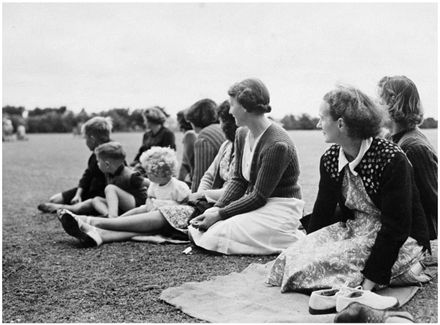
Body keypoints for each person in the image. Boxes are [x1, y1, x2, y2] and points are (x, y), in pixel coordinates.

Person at [266, 86, 430, 293]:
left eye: (322, 118)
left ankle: (405, 269)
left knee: (312, 270)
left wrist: (370, 281)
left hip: (399, 238)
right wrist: (309, 246)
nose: (318, 124)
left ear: (341, 124)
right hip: (355, 229)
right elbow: (323, 210)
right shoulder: (330, 158)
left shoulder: (391, 159)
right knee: (290, 259)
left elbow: (396, 227)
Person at [56, 100, 239, 247]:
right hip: (204, 201)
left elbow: (237, 187)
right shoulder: (226, 145)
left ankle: (90, 222)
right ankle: (100, 236)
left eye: (222, 122)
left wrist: (200, 195)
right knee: (151, 221)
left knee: (164, 213)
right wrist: (199, 195)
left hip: (218, 203)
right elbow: (207, 175)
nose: (220, 126)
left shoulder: (227, 142)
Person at [188, 78, 305, 255]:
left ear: (244, 107)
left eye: (231, 104)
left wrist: (220, 215)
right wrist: (216, 209)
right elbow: (238, 180)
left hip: (280, 207)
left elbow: (259, 196)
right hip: (258, 203)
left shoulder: (277, 144)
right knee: (200, 229)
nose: (229, 111)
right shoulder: (241, 133)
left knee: (216, 234)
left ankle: (288, 236)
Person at [378, 75, 437, 240]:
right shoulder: (393, 139)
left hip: (416, 238)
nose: (375, 106)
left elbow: (435, 200)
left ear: (392, 102)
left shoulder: (413, 147)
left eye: (379, 101)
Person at [43, 142, 148, 217]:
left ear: (107, 164)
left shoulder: (131, 175)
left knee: (110, 188)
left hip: (136, 205)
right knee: (96, 200)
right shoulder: (109, 173)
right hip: (122, 206)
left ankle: (112, 218)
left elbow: (150, 184)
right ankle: (64, 208)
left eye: (98, 161)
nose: (97, 164)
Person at [38, 116, 113, 213]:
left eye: (85, 138)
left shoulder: (110, 153)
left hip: (100, 195)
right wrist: (78, 195)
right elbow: (87, 176)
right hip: (90, 189)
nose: (85, 141)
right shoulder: (95, 153)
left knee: (89, 205)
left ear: (92, 139)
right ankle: (66, 205)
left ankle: (63, 208)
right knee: (54, 199)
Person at [122, 146, 191, 216]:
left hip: (168, 214)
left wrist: (170, 206)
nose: (146, 174)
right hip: (153, 207)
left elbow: (185, 204)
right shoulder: (154, 184)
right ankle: (119, 219)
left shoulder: (177, 187)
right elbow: (150, 197)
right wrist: (149, 204)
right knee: (138, 210)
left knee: (146, 216)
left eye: (148, 173)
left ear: (159, 174)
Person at [185, 99, 226, 192]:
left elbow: (201, 176)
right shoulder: (220, 129)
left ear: (193, 120)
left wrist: (193, 199)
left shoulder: (204, 137)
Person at [131, 106, 176, 173]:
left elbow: (167, 156)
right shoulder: (146, 135)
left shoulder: (168, 134)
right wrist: (133, 164)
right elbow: (142, 152)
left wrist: (144, 165)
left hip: (161, 171)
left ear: (151, 120)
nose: (144, 123)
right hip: (145, 168)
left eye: (145, 120)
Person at [176, 110, 197, 188]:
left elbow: (186, 163)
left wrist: (178, 184)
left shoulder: (189, 135)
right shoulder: (195, 133)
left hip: (196, 181)